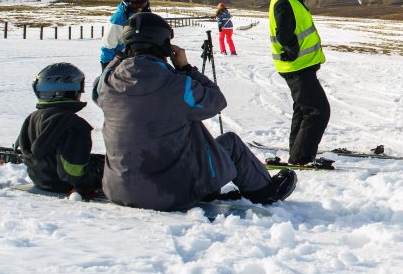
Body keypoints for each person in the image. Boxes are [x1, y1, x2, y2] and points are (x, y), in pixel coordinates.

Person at [94, 12, 297, 210]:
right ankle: (265, 192)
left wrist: (119, 58)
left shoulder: (107, 85)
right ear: (164, 45)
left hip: (117, 191)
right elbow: (216, 100)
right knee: (231, 144)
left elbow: (97, 88)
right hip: (171, 194)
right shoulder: (177, 85)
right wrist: (185, 68)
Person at [269, 0, 330, 165]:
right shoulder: (285, 1)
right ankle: (302, 158)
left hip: (300, 67)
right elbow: (284, 33)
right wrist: (291, 49)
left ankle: (297, 151)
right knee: (318, 111)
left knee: (303, 109)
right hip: (296, 67)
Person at [14, 63, 103, 199]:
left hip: (41, 181)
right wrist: (90, 182)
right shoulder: (74, 125)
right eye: (80, 88)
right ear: (69, 90)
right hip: (64, 185)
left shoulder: (32, 118)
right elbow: (72, 171)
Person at [99, 0, 151, 70]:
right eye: (135, 3)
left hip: (143, 62)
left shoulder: (147, 16)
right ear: (126, 1)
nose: (139, 8)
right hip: (121, 65)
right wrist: (107, 66)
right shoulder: (118, 20)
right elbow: (108, 45)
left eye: (142, 3)